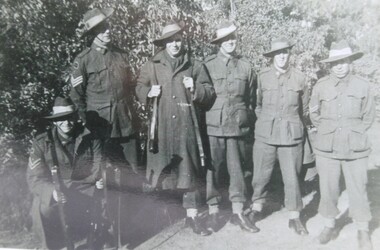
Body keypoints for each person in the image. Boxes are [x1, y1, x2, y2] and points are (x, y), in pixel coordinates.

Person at [135, 20, 216, 236]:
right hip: (160, 129)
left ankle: (192, 217)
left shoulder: (194, 65)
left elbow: (209, 93)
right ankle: (160, 218)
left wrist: (196, 88)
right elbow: (138, 87)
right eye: (170, 41)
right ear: (164, 44)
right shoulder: (152, 65)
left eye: (178, 40)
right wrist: (147, 93)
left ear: (183, 41)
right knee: (161, 172)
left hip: (186, 129)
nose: (175, 44)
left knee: (188, 173)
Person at [310, 40, 374, 250]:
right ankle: (330, 225)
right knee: (328, 190)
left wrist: (351, 131)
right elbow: (314, 114)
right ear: (330, 65)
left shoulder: (363, 85)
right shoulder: (321, 86)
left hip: (355, 147)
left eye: (343, 61)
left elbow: (368, 116)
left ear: (350, 62)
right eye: (335, 62)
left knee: (359, 189)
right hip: (327, 148)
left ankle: (363, 230)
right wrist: (331, 131)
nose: (339, 66)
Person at [248, 37, 309, 235]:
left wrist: (290, 123)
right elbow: (256, 104)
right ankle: (256, 209)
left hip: (291, 135)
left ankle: (294, 217)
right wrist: (266, 121)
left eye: (285, 52)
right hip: (266, 133)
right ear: (272, 56)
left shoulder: (299, 77)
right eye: (278, 53)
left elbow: (304, 109)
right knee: (260, 174)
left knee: (292, 177)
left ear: (289, 54)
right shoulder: (262, 76)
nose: (282, 56)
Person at [27, 97, 107, 249]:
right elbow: (34, 178)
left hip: (86, 189)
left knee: (109, 199)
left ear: (75, 117)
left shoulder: (91, 137)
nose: (66, 123)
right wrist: (52, 192)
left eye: (69, 118)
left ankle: (104, 243)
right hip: (59, 192)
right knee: (41, 207)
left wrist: (98, 180)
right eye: (60, 119)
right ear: (54, 121)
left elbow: (98, 165)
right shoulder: (41, 142)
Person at [203, 20, 258, 233]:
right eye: (226, 39)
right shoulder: (207, 65)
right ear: (219, 43)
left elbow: (252, 97)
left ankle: (237, 212)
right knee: (213, 170)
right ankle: (214, 212)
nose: (230, 42)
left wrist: (245, 118)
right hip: (214, 125)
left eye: (233, 38)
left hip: (237, 125)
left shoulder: (246, 67)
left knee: (238, 171)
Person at [70, 7, 138, 172]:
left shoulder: (121, 55)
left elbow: (132, 86)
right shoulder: (83, 60)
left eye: (107, 26)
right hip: (100, 128)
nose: (107, 31)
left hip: (125, 123)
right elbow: (76, 97)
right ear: (93, 33)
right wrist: (89, 124)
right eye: (101, 29)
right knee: (106, 177)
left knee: (133, 173)